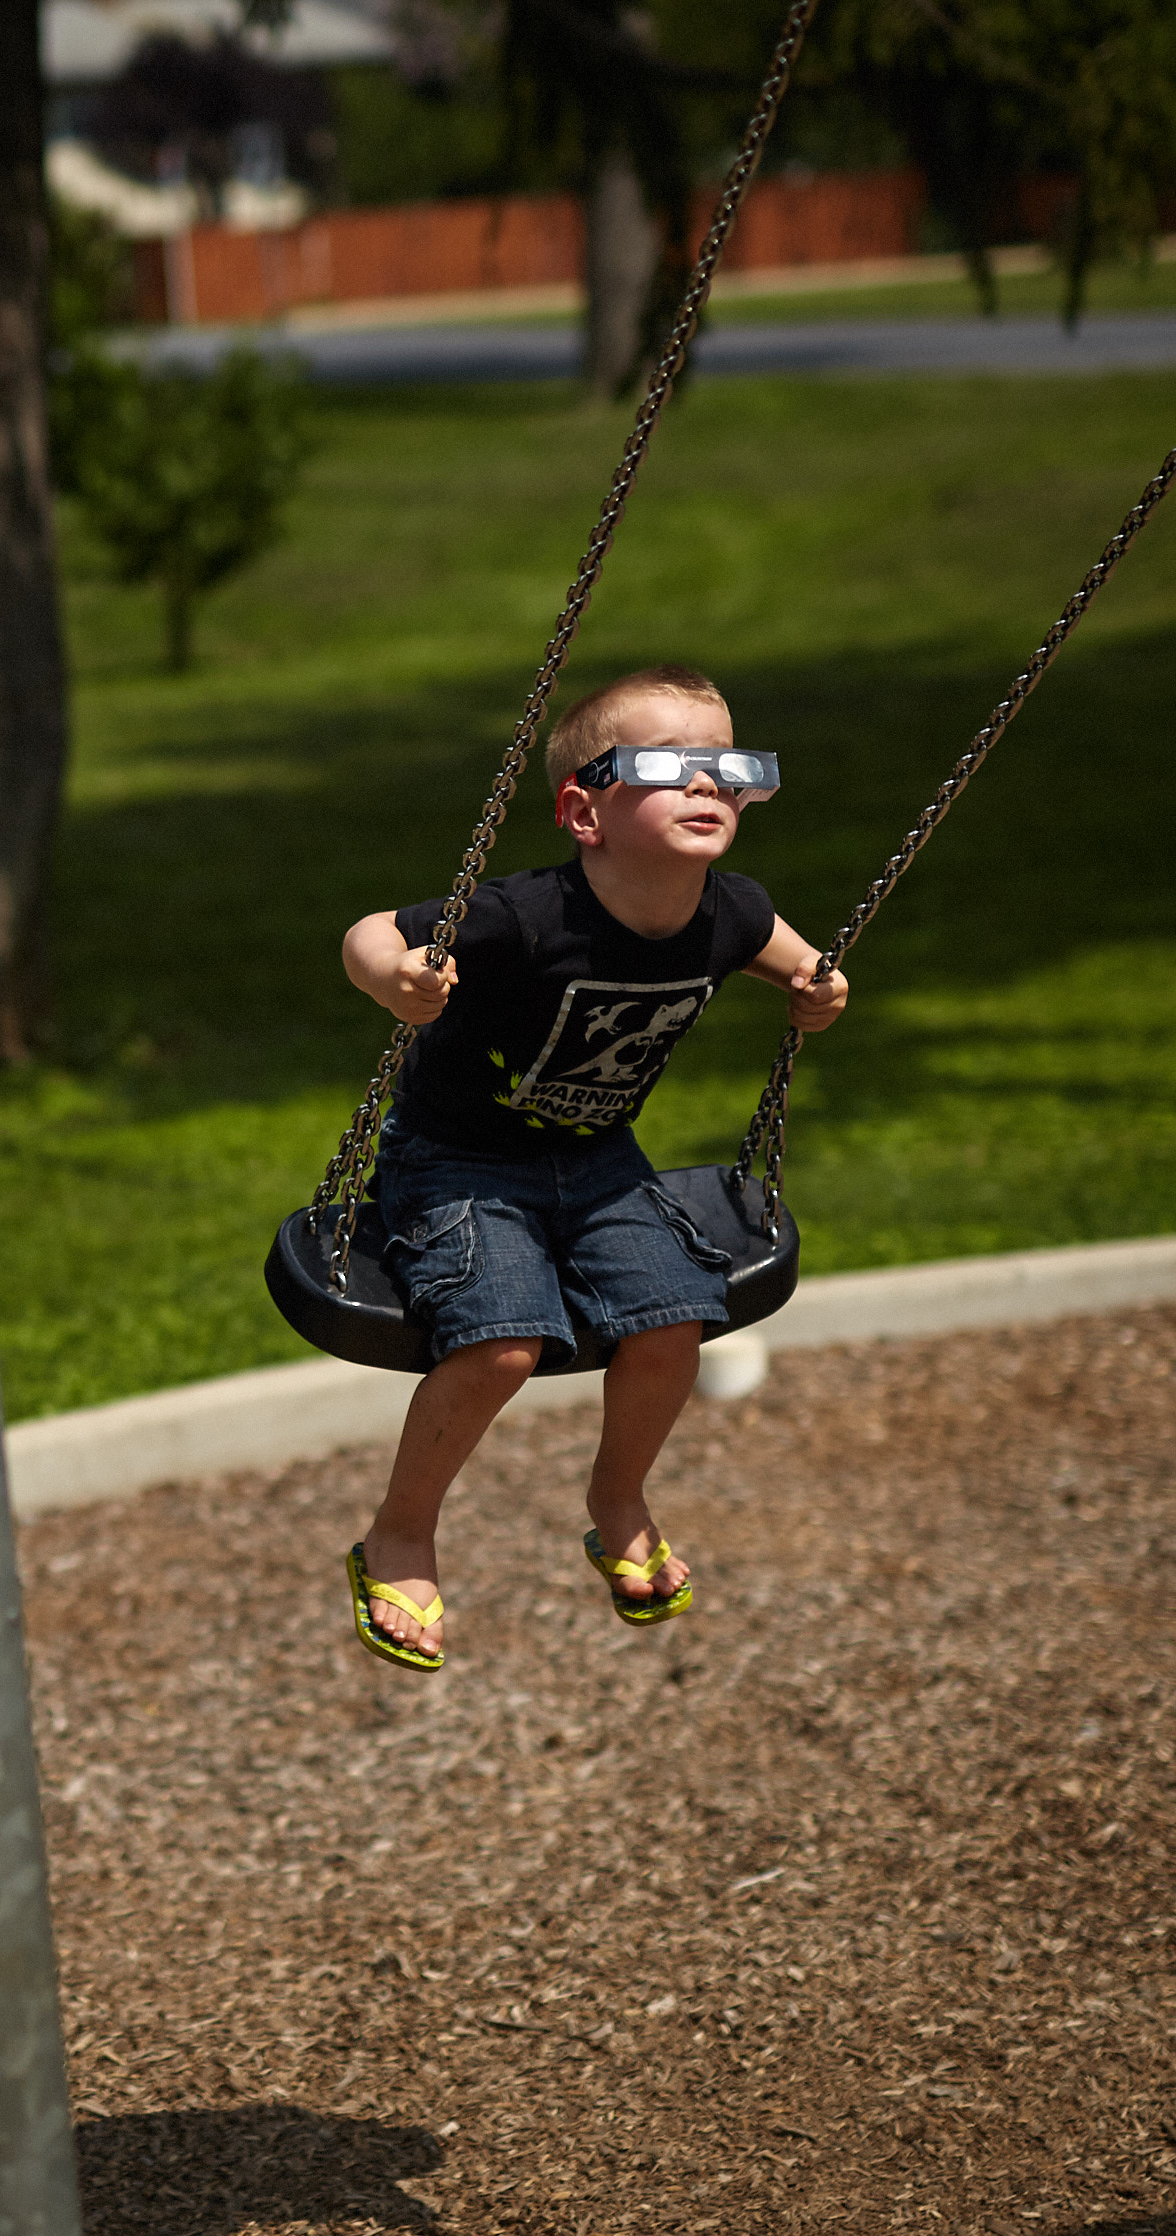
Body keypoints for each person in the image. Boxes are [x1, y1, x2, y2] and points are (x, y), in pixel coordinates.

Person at [338, 665, 849, 1671]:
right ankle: (401, 1530)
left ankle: (618, 1501)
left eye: (727, 767)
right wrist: (394, 978)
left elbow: (791, 956)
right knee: (502, 1346)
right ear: (584, 809)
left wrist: (817, 985)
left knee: (672, 1324)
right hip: (459, 1162)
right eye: (670, 765)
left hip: (600, 1159)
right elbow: (370, 935)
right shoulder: (526, 919)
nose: (707, 786)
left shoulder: (730, 910)